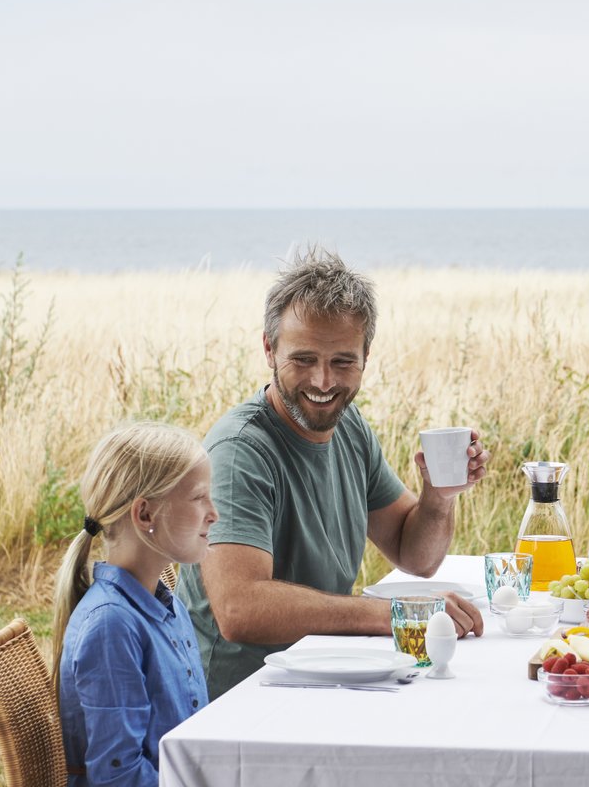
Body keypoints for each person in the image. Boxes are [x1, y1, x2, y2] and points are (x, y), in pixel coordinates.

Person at [177, 248, 491, 698]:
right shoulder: (240, 451)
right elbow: (239, 609)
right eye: (303, 359)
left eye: (342, 362)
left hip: (326, 678)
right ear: (269, 349)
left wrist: (439, 496)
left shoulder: (348, 426)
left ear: (367, 356)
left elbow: (416, 555)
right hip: (244, 702)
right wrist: (392, 615)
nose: (324, 382)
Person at [53, 422, 218, 787]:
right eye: (199, 498)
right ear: (145, 515)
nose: (214, 513)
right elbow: (120, 778)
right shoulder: (112, 626)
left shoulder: (166, 604)